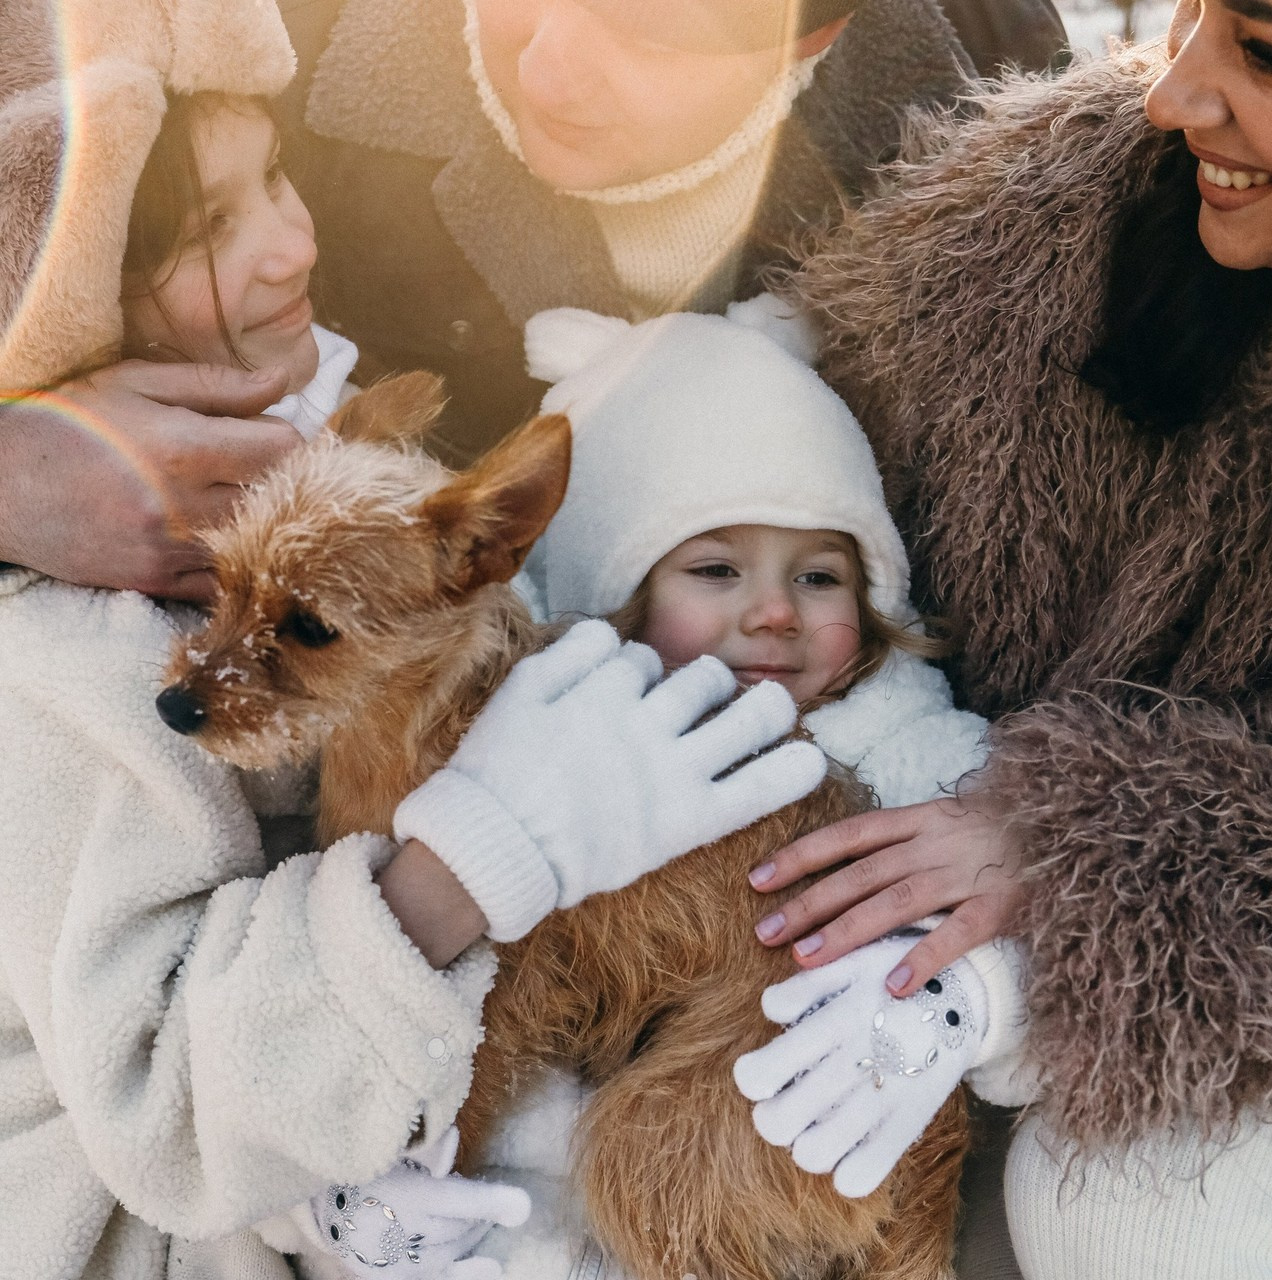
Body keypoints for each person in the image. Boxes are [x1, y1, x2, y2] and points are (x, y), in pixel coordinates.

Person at [0, 8, 826, 1279]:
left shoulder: (324, 423)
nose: (293, 239)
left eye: (277, 173)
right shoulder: (67, 647)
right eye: (211, 229)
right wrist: (475, 853)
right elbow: (167, 1110)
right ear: (67, 288)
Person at [750, 3, 1272, 1275]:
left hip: (1184, 998)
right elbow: (778, 459)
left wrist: (1082, 842)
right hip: (890, 920)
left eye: (1261, 53)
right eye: (1196, 19)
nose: (1171, 98)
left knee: (1135, 1201)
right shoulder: (1031, 223)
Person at [0, 0, 1067, 602]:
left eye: (648, 29)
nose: (549, 69)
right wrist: (11, 467)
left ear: (814, 36)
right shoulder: (253, 28)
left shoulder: (1006, 107)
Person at [411, 297, 1026, 1279]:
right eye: (714, 567)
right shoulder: (571, 744)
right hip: (603, 1142)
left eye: (820, 576)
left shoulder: (909, 742)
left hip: (840, 1116)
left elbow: (1052, 921)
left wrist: (968, 1001)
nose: (774, 612)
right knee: (555, 1148)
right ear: (611, 593)